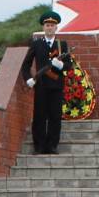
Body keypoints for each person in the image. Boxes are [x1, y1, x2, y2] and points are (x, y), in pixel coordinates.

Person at [21, 11, 71, 155]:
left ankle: (52, 146)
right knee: (39, 116)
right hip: (41, 86)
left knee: (55, 116)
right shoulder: (37, 44)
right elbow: (26, 64)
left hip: (56, 86)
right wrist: (28, 79)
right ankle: (39, 146)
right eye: (47, 25)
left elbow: (69, 66)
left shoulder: (62, 45)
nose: (49, 28)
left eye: (52, 25)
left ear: (56, 28)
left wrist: (60, 65)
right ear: (43, 27)